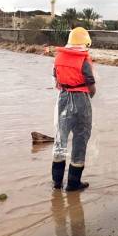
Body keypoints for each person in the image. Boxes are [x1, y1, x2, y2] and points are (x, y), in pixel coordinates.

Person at [51, 27, 96, 191]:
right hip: (80, 99)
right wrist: (91, 95)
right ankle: (73, 183)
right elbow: (90, 82)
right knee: (80, 138)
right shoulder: (83, 59)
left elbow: (55, 77)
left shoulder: (59, 56)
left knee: (60, 138)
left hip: (62, 97)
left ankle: (57, 182)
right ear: (85, 42)